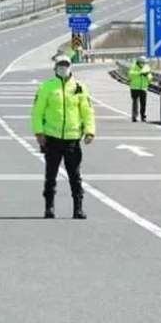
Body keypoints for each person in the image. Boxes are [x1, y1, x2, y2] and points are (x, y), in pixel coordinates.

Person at [32, 55, 95, 219]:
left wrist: (90, 131)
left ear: (70, 67)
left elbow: (87, 111)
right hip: (52, 139)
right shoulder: (47, 87)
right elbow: (37, 112)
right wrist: (39, 133)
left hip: (72, 139)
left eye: (66, 65)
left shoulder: (79, 87)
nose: (63, 68)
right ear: (55, 67)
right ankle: (49, 207)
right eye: (60, 65)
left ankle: (78, 208)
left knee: (75, 175)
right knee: (51, 174)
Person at [127, 56, 153, 122]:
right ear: (138, 62)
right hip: (134, 87)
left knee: (143, 103)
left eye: (144, 63)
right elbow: (130, 74)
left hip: (143, 87)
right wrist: (140, 73)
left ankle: (143, 116)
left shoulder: (146, 67)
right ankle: (134, 116)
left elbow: (150, 76)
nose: (143, 64)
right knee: (135, 102)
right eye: (142, 63)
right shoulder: (133, 66)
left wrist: (148, 77)